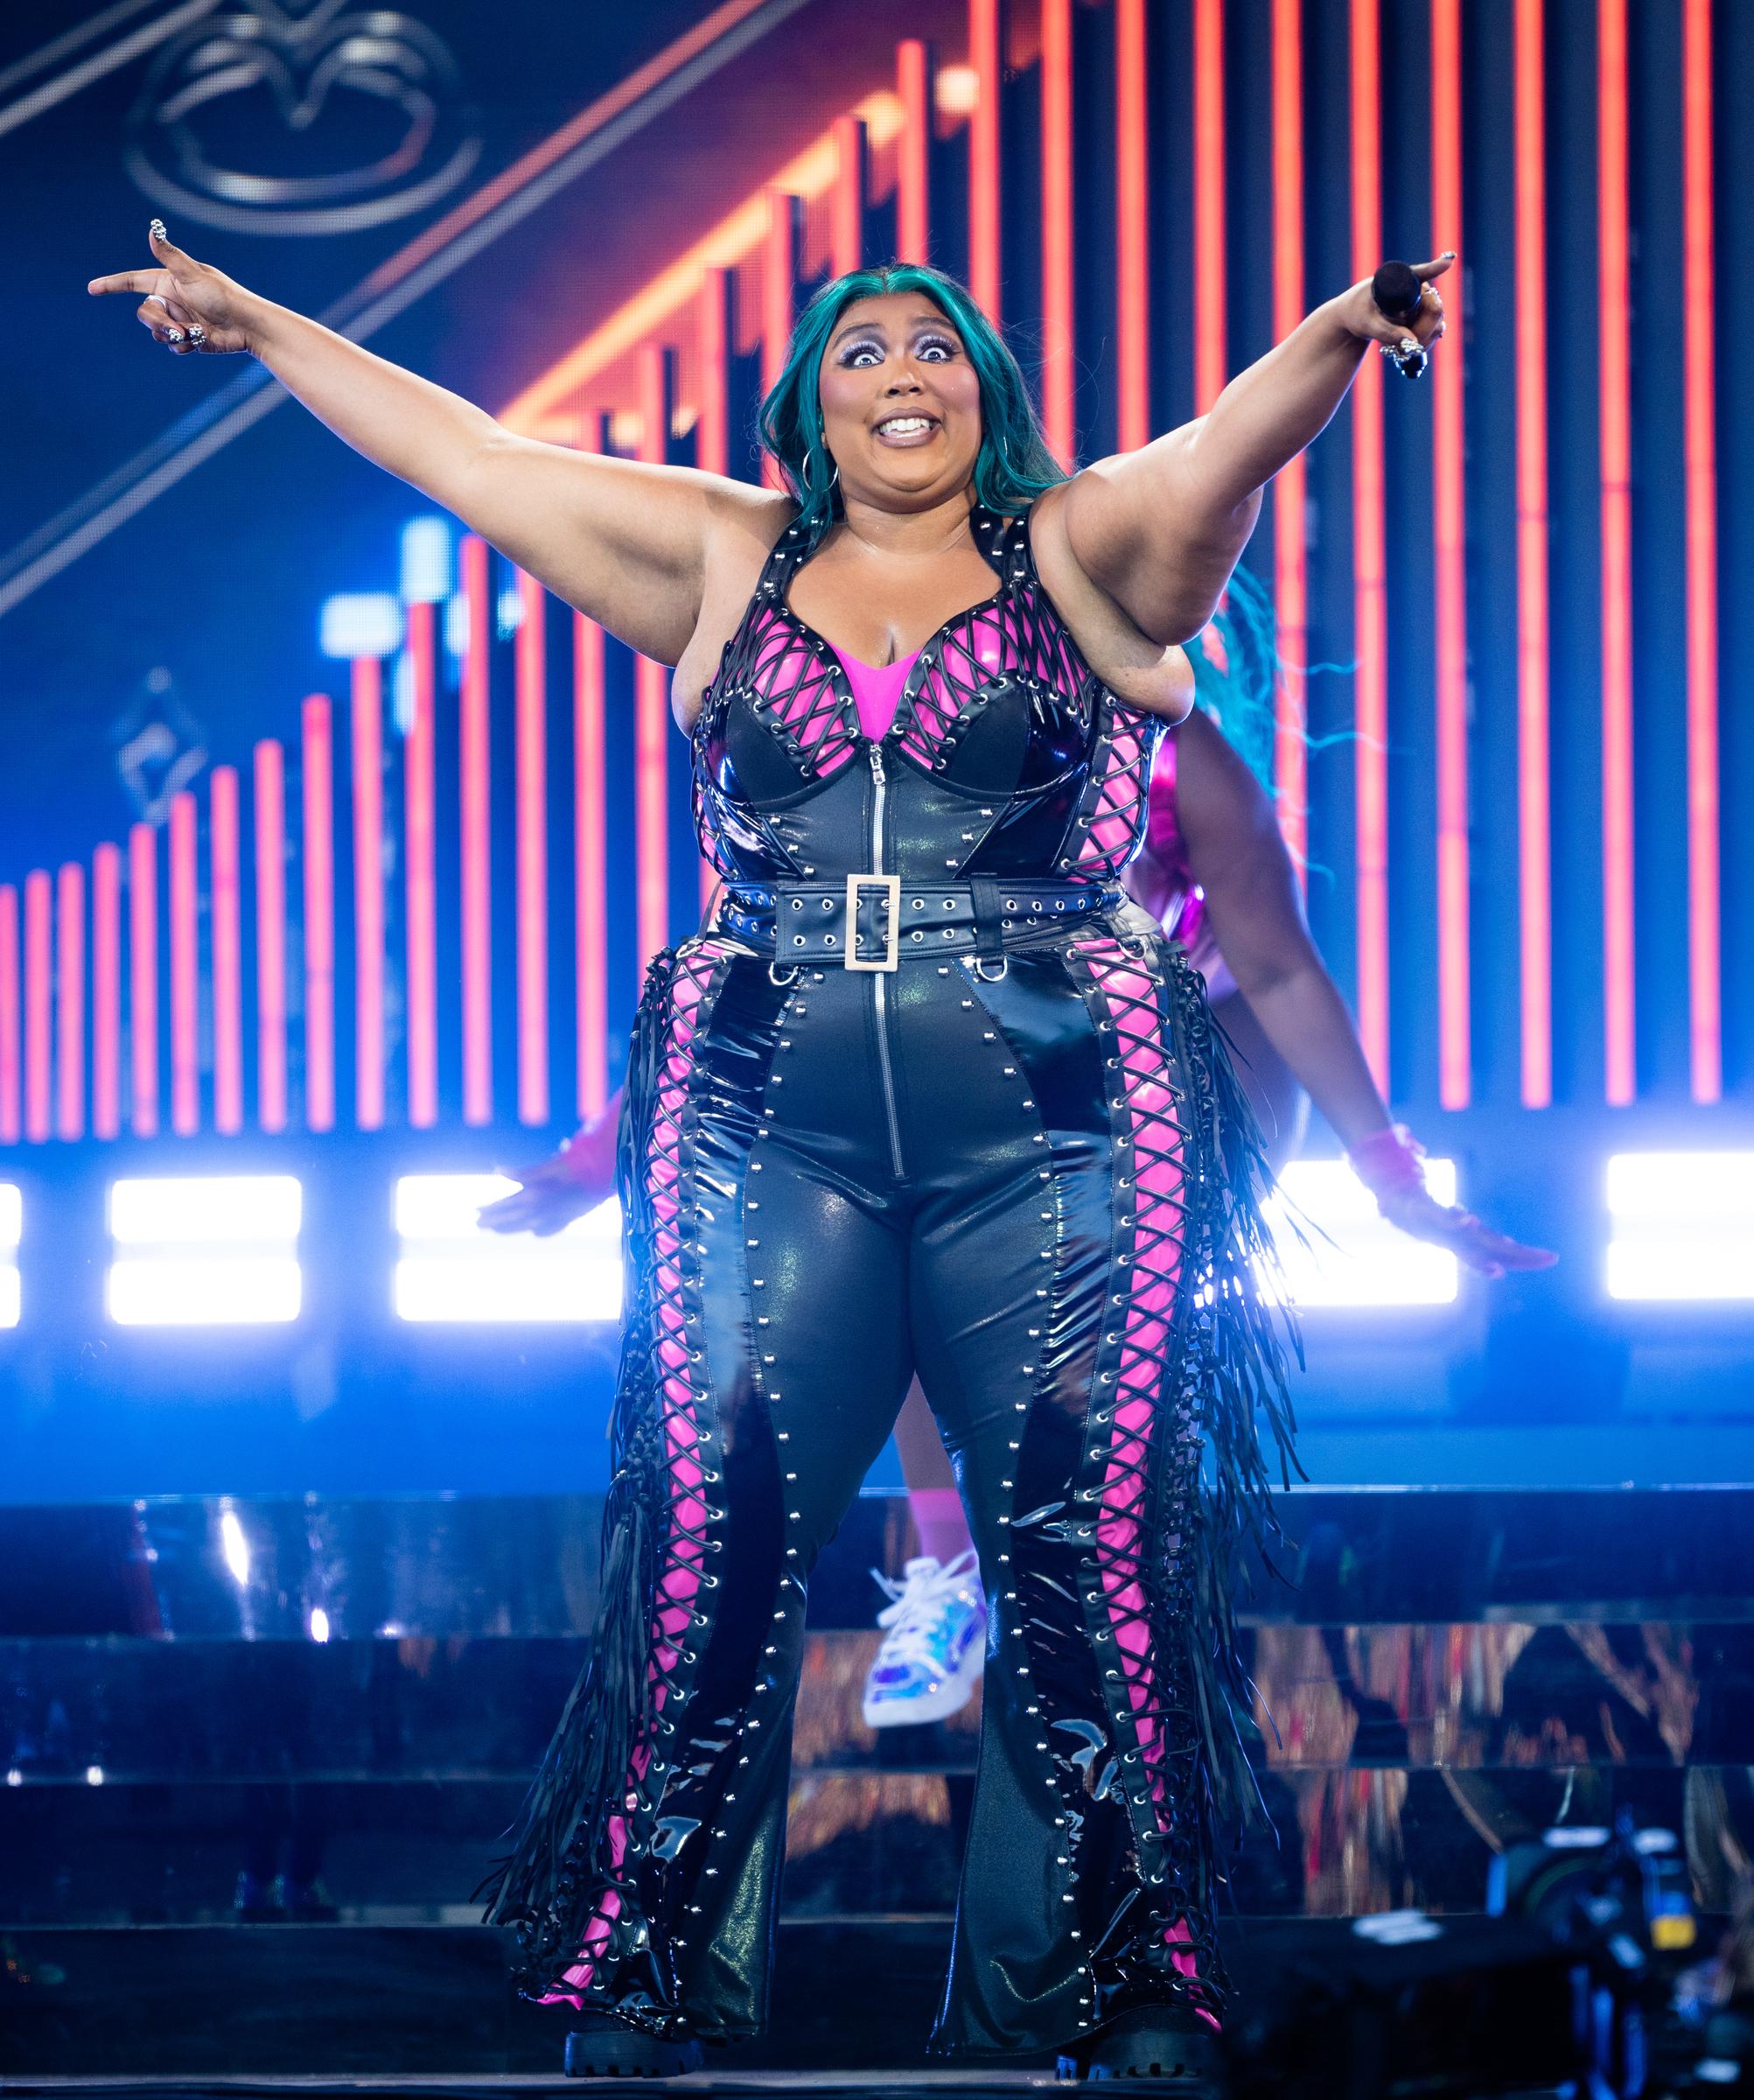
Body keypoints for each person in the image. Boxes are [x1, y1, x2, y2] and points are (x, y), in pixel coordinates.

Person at [93, 227, 1458, 2079]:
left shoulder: (1084, 552)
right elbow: (468, 458)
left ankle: (1119, 1984)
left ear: (986, 387)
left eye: (938, 348)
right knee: (716, 1534)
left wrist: (1337, 329)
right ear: (812, 401)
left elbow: (1226, 443)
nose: (903, 371)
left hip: (1060, 1102)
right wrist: (262, 327)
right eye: (860, 351)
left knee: (1082, 1545)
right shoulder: (726, 554)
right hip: (764, 1096)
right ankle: (652, 1972)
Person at [486, 573, 1551, 1739]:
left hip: (1187, 1057)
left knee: (1067, 1280)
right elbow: (752, 961)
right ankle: (950, 1578)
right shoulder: (863, 778)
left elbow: (1284, 971)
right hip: (970, 1064)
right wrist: (598, 1158)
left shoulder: (1171, 762)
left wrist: (1387, 1173)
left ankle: (1091, 1553)